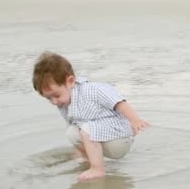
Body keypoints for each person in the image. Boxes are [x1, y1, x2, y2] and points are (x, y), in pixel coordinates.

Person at [32, 51, 150, 181]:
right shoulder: (64, 103)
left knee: (87, 129)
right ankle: (88, 158)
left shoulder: (91, 90)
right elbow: (74, 125)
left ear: (70, 81)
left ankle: (98, 169)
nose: (54, 102)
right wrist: (80, 149)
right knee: (72, 132)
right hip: (102, 136)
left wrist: (134, 120)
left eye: (56, 95)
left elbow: (118, 102)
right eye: (48, 98)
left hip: (120, 138)